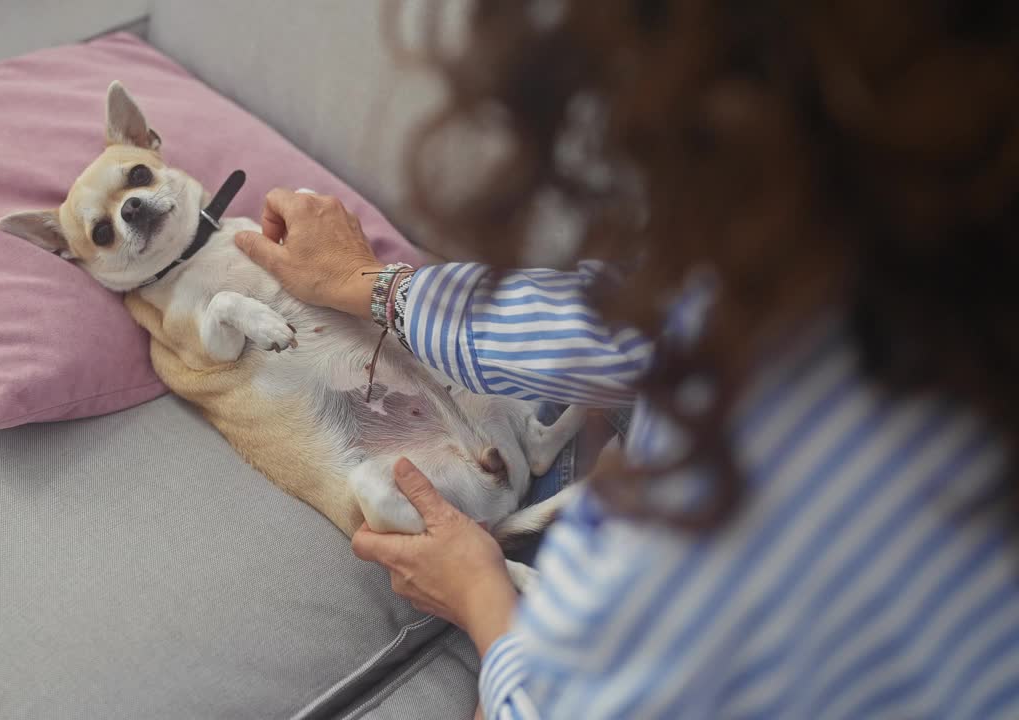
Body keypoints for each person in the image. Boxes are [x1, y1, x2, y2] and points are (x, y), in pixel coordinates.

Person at [235, 1, 1018, 717]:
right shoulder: (871, 246)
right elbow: (651, 318)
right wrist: (375, 287)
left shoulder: (744, 508)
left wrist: (479, 595)